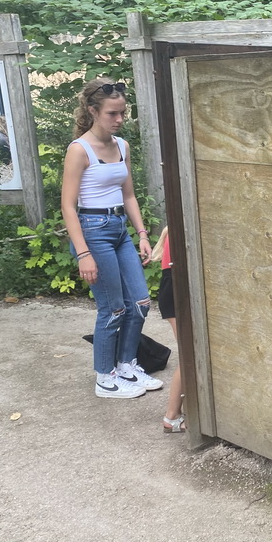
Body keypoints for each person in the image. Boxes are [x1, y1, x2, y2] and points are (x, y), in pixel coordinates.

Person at [61, 78, 163, 399]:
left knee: (141, 303)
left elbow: (129, 194)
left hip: (119, 228)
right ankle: (105, 378)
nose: (119, 119)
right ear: (93, 111)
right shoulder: (79, 150)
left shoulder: (121, 146)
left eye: (122, 112)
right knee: (113, 308)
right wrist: (83, 253)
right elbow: (67, 205)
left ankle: (127, 365)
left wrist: (143, 235)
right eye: (112, 113)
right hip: (92, 230)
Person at [152, 227, 185, 432]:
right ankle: (172, 415)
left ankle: (176, 414)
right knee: (190, 357)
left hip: (173, 287)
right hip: (175, 287)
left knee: (190, 355)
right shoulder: (180, 227)